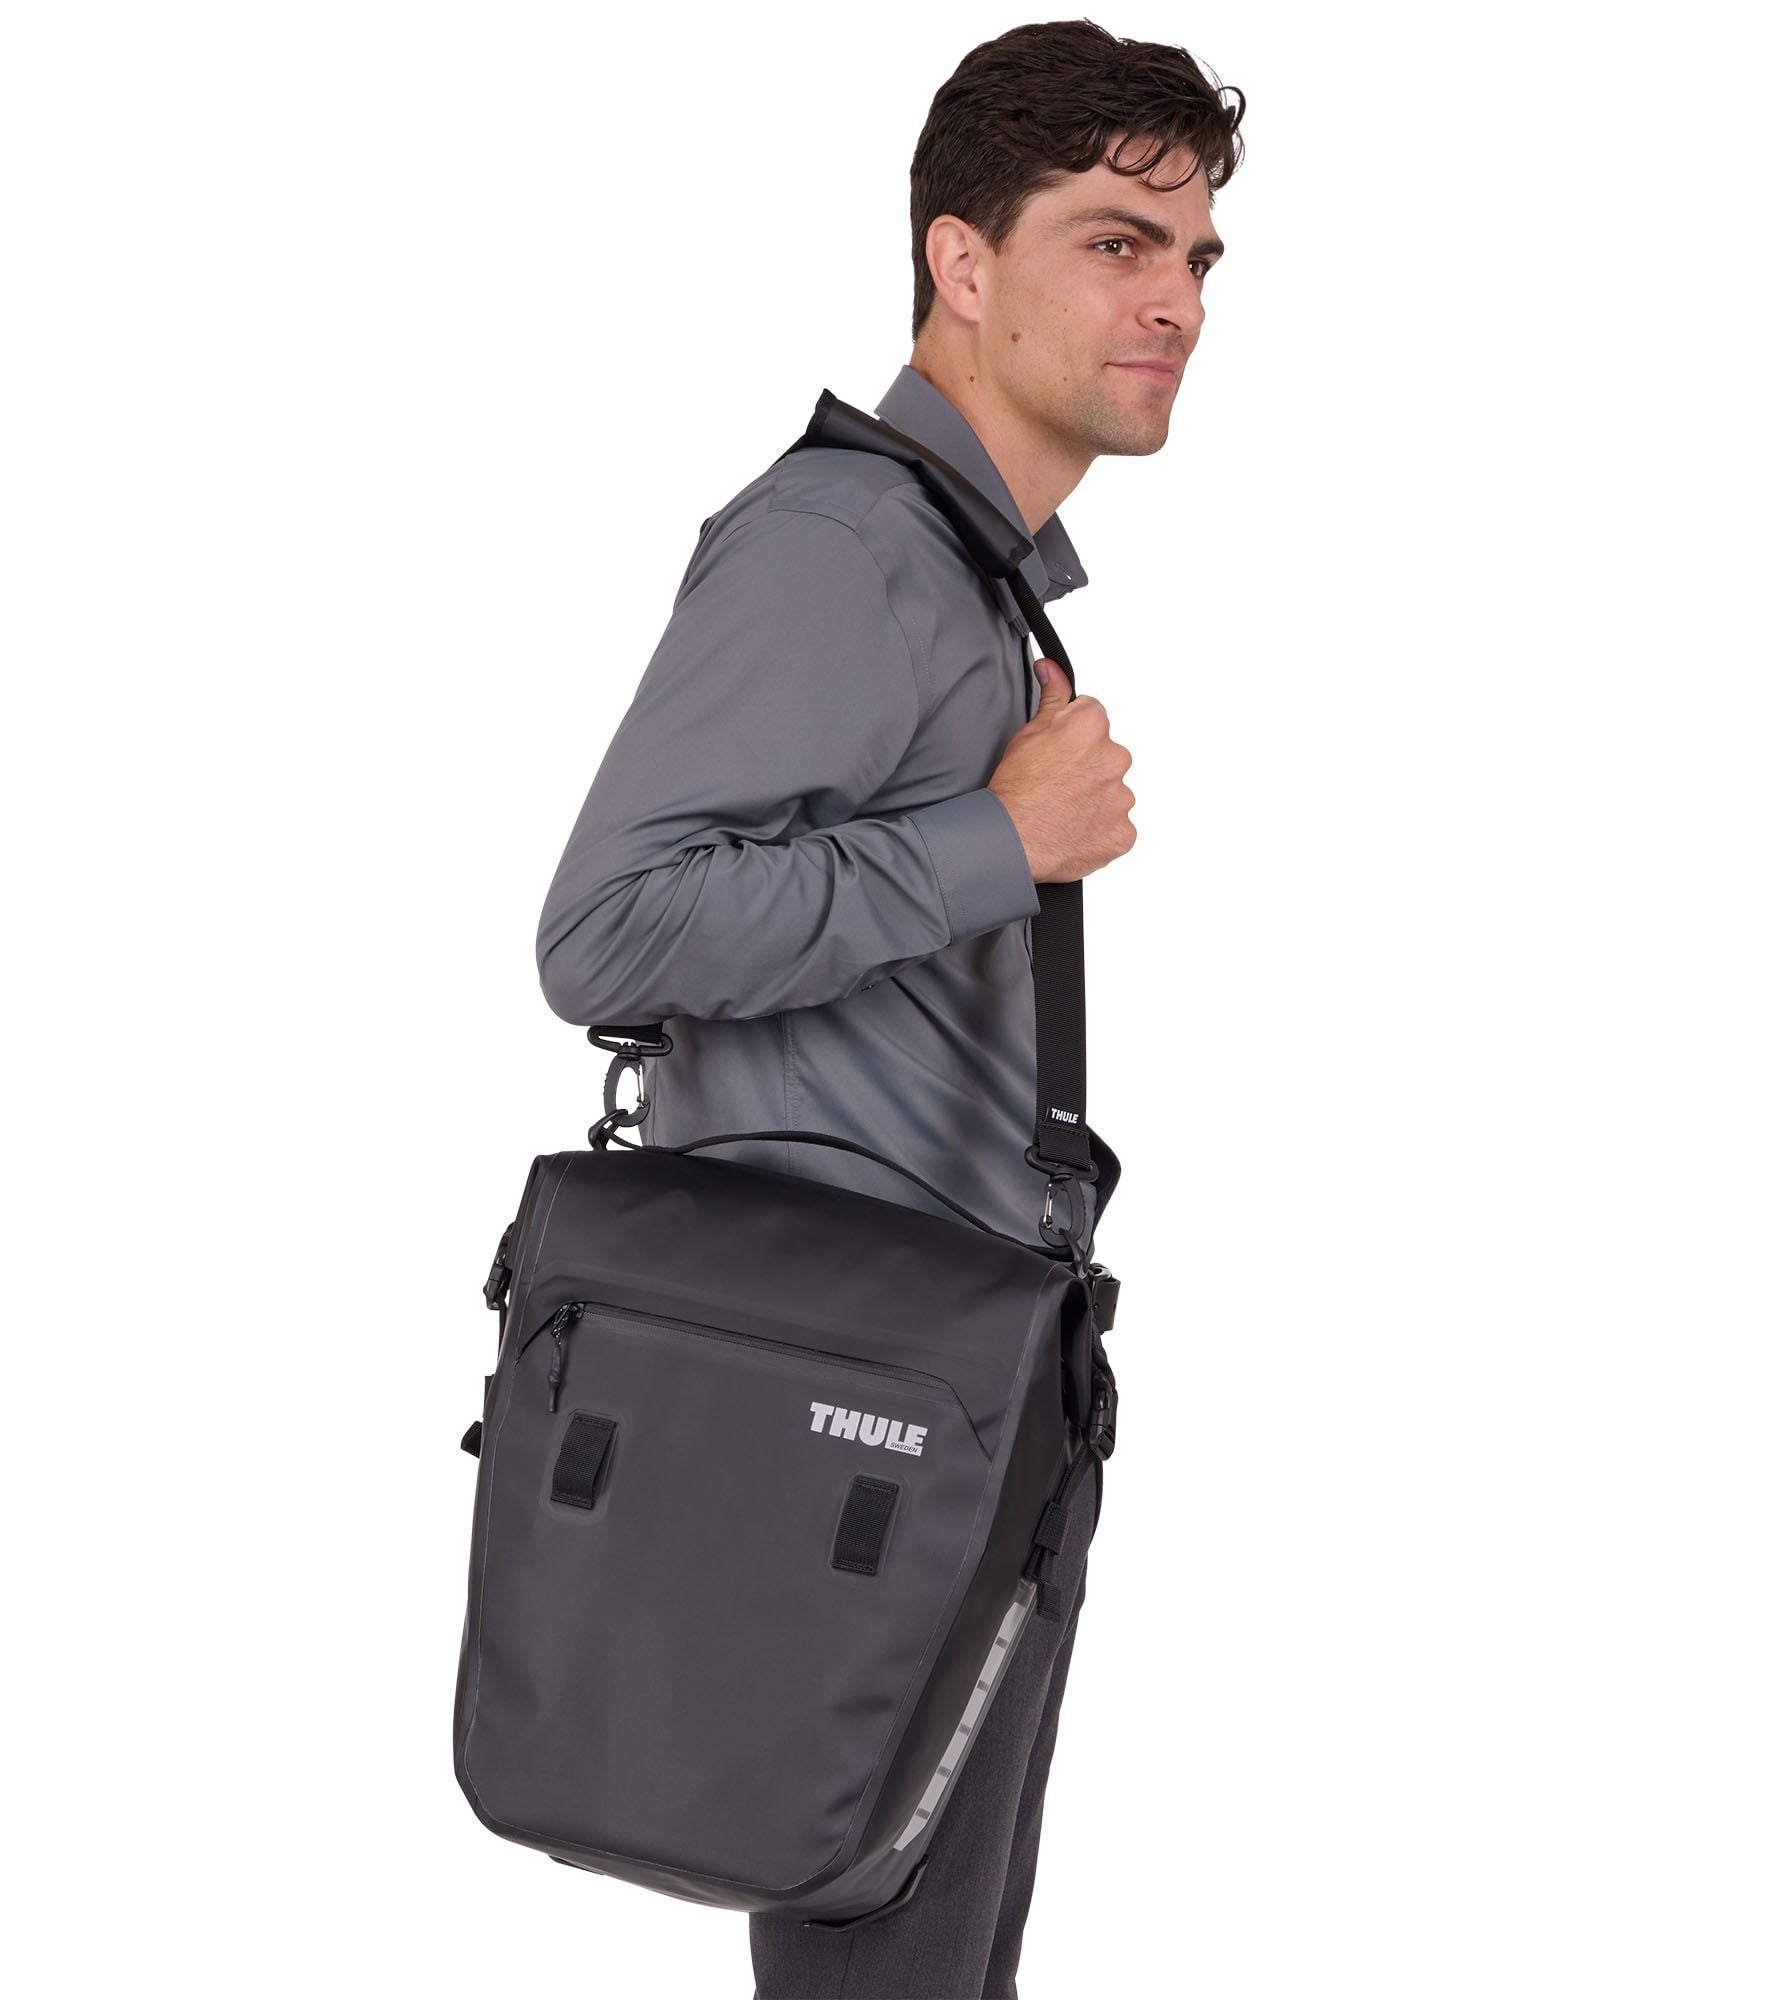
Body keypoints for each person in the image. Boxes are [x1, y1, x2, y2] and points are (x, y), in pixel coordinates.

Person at [532, 21, 1244, 1997]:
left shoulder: (959, 571)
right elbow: (609, 931)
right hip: (844, 1412)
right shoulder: (841, 549)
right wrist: (996, 844)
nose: (1178, 302)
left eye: (1199, 259)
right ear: (962, 261)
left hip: (937, 1405)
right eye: (1117, 242)